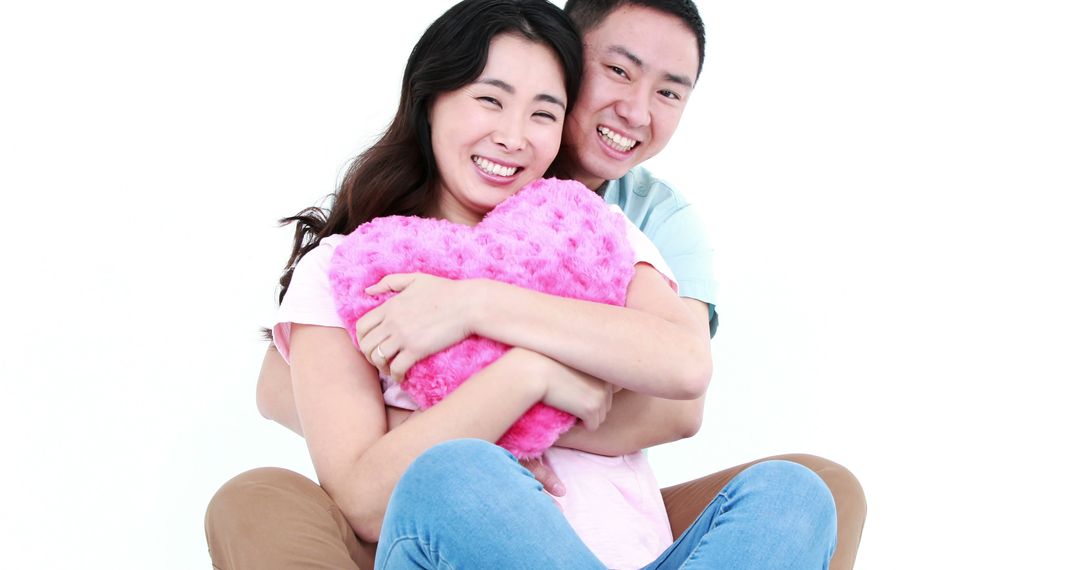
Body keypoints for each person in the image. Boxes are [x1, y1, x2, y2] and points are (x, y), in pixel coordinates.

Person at [207, 0, 863, 568]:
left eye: (544, 113)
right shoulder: (349, 266)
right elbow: (366, 500)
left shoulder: (591, 228)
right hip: (451, 549)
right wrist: (531, 377)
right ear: (430, 100)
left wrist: (476, 309)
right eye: (490, 99)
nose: (513, 135)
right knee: (456, 472)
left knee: (796, 496)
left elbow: (686, 368)